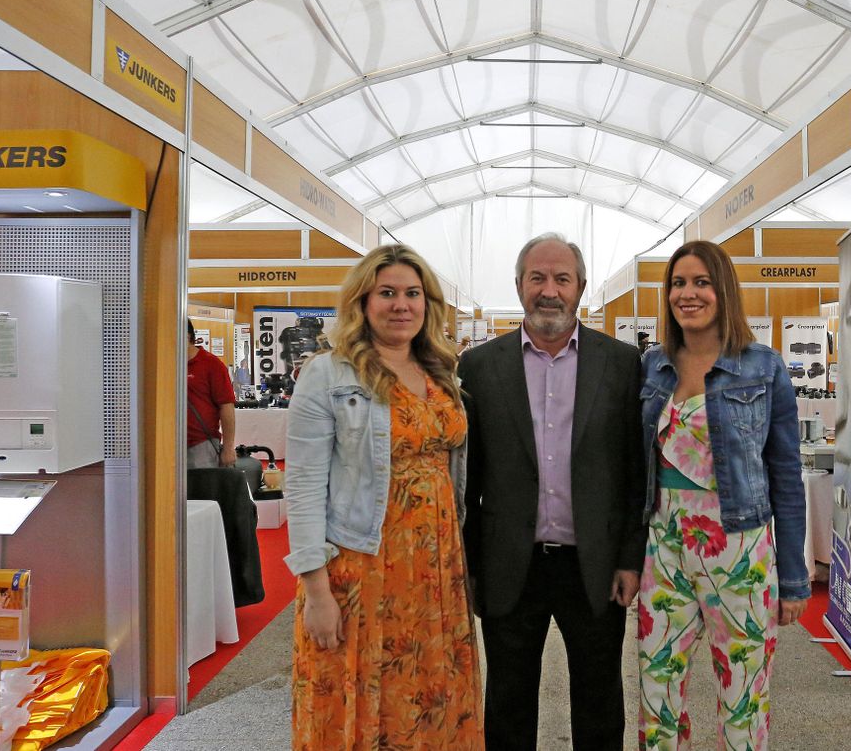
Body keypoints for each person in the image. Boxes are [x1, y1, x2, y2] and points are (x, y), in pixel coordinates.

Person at [284, 244, 481, 749]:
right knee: (360, 698)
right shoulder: (327, 374)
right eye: (387, 293)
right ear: (362, 302)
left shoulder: (441, 371)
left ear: (427, 303)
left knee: (429, 697)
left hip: (436, 569)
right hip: (362, 566)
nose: (401, 305)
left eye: (412, 293)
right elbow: (303, 483)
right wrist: (317, 591)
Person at [460, 233, 644, 750]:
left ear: (580, 288)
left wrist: (630, 557)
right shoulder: (478, 367)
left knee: (600, 703)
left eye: (561, 279)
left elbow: (635, 473)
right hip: (508, 564)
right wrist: (470, 567)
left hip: (596, 565)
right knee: (508, 704)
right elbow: (466, 480)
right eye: (537, 278)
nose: (549, 290)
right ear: (518, 285)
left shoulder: (622, 365)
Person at [635, 240, 809, 750]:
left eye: (701, 282)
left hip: (739, 545)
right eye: (678, 283)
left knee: (744, 696)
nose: (687, 294)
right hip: (662, 545)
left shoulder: (763, 366)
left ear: (724, 290)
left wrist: (795, 577)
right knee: (657, 690)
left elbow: (786, 473)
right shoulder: (653, 365)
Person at [187, 319, 237, 468]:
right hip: (168, 443)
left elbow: (227, 407)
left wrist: (228, 448)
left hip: (201, 444)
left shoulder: (211, 364)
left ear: (187, 336)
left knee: (202, 490)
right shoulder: (167, 365)